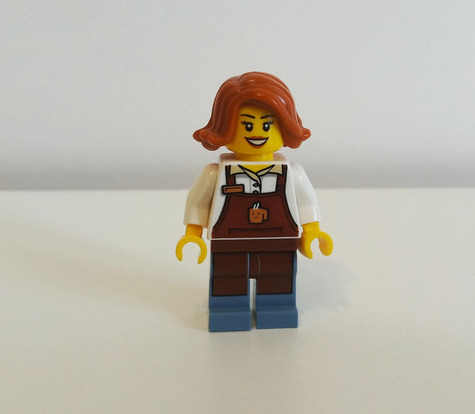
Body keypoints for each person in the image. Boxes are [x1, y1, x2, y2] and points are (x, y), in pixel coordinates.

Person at [176, 72, 333, 331]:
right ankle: (228, 310)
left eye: (267, 125)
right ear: (225, 127)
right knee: (228, 279)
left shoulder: (292, 173)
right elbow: (198, 203)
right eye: (247, 126)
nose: (258, 133)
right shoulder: (215, 173)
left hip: (279, 241)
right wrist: (192, 234)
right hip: (229, 242)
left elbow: (306, 203)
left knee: (278, 278)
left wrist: (312, 231)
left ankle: (277, 308)